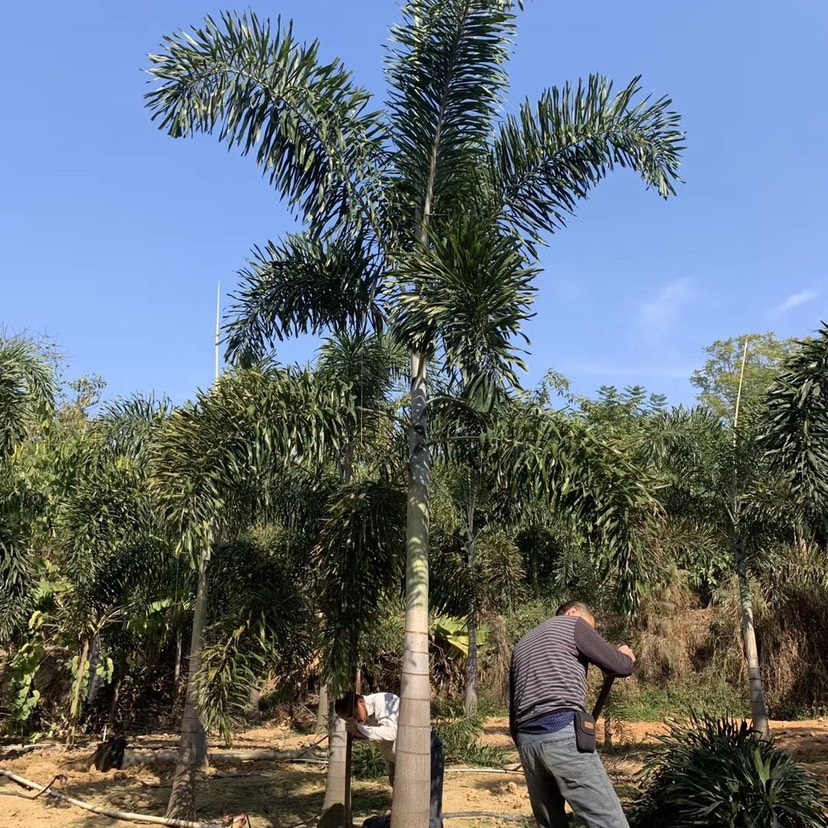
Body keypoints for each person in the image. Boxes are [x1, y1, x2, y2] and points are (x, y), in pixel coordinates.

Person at [509, 600, 636, 828]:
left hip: (528, 743)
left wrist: (526, 746)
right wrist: (625, 655)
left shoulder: (522, 644)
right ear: (574, 612)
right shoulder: (572, 624)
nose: (590, 634)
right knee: (608, 822)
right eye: (590, 628)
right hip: (561, 732)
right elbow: (620, 666)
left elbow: (513, 710)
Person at [334, 691, 444, 828]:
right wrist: (391, 771)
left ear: (360, 702)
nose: (357, 720)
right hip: (402, 762)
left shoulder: (383, 701)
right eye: (351, 719)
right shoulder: (366, 720)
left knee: (431, 805)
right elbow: (385, 747)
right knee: (408, 806)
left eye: (355, 715)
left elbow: (392, 732)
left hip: (426, 750)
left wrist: (360, 729)